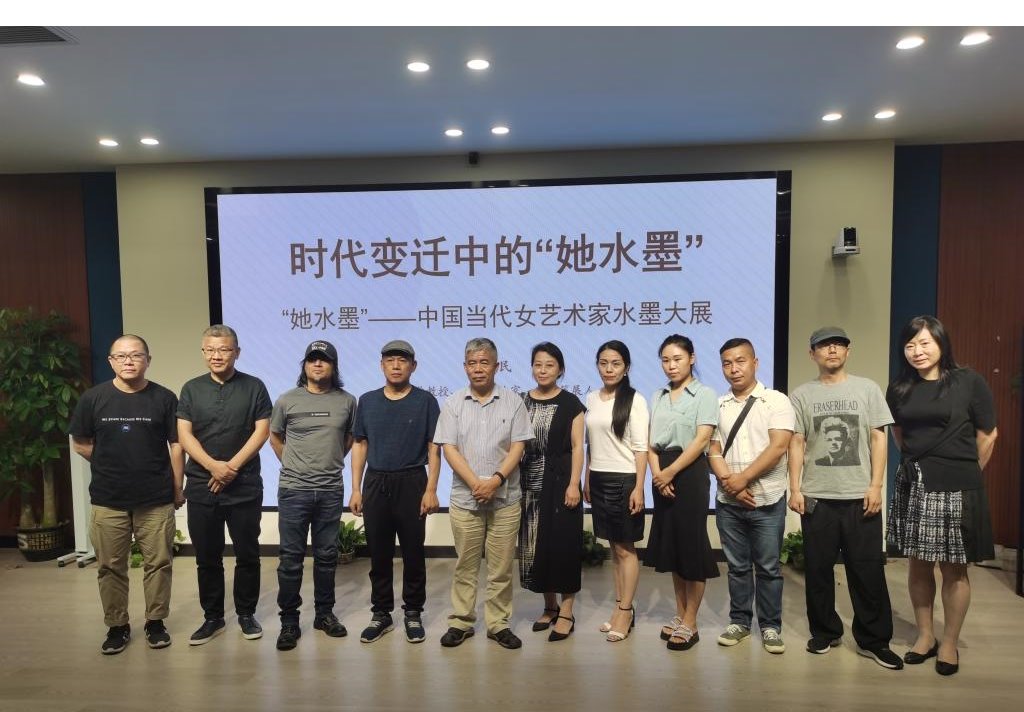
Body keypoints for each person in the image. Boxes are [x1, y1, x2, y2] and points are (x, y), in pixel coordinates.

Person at [887, 315, 997, 676]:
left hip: (957, 484)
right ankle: (925, 636)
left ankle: (949, 643)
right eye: (910, 345)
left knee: (954, 569)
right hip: (914, 482)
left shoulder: (968, 381)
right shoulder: (899, 388)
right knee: (918, 564)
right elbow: (899, 433)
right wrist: (917, 464)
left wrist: (968, 471)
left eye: (924, 343)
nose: (917, 351)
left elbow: (988, 434)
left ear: (941, 343)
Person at [788, 326, 902, 669]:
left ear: (848, 351)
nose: (832, 350)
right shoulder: (801, 395)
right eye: (824, 346)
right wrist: (795, 488)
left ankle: (874, 641)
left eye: (838, 345)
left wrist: (876, 486)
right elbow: (797, 442)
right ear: (812, 354)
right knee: (818, 570)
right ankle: (825, 631)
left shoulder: (867, 389)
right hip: (817, 496)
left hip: (860, 496)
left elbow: (879, 438)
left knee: (867, 571)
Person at [70, 334, 185, 654]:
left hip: (156, 498)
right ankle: (117, 626)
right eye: (120, 356)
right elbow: (80, 443)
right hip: (108, 498)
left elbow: (177, 445)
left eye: (135, 355)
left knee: (159, 563)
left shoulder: (164, 398)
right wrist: (111, 462)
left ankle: (155, 622)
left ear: (148, 360)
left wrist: (177, 488)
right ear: (111, 362)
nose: (128, 361)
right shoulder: (93, 398)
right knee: (110, 566)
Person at [434, 337, 534, 650]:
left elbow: (518, 446)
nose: (478, 369)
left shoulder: (513, 402)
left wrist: (496, 480)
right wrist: (477, 483)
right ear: (465, 367)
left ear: (496, 366)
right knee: (465, 566)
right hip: (466, 500)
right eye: (472, 363)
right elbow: (449, 448)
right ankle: (462, 621)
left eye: (484, 362)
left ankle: (498, 624)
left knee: (500, 568)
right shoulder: (453, 403)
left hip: (505, 499)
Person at [177, 325, 271, 645]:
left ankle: (246, 613)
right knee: (207, 556)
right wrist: (214, 467)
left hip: (244, 484)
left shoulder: (254, 387)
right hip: (202, 485)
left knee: (248, 553)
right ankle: (213, 617)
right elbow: (184, 434)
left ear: (237, 352)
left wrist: (231, 468)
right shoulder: (191, 389)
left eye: (224, 350)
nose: (217, 356)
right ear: (203, 352)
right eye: (211, 350)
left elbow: (261, 431)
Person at [349, 339, 441, 644]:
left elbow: (434, 447)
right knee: (379, 553)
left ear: (413, 366)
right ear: (381, 365)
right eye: (390, 360)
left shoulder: (426, 401)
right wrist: (356, 489)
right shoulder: (368, 401)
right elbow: (360, 444)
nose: (396, 365)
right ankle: (381, 613)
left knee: (413, 552)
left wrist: (431, 489)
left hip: (412, 481)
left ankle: (413, 612)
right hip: (376, 482)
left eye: (402, 360)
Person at [269, 339, 357, 651]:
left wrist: (329, 462)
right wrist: (295, 465)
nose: (318, 364)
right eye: (312, 359)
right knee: (290, 560)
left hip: (330, 490)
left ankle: (324, 614)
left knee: (326, 557)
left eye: (324, 359)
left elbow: (349, 439)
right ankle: (289, 621)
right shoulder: (287, 400)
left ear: (334, 366)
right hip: (294, 490)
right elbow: (275, 437)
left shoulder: (347, 401)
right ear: (305, 365)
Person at [708, 337, 794, 654]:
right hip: (729, 503)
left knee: (769, 567)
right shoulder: (717, 405)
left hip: (767, 499)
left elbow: (779, 446)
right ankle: (740, 622)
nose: (734, 368)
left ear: (755, 363)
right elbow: (713, 448)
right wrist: (731, 483)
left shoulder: (775, 401)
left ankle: (770, 627)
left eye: (740, 361)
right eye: (727, 363)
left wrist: (742, 479)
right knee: (737, 567)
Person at [643, 334, 719, 652]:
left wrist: (670, 472)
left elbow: (702, 440)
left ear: (692, 358)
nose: (671, 365)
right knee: (673, 547)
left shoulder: (705, 394)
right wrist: (657, 474)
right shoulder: (658, 395)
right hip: (662, 472)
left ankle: (691, 621)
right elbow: (650, 443)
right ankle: (680, 613)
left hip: (689, 473)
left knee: (692, 547)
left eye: (677, 358)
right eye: (665, 360)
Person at [518, 342, 586, 642]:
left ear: (560, 369)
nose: (542, 370)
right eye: (538, 364)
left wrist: (574, 483)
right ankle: (549, 606)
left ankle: (567, 612)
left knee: (563, 547)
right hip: (530, 482)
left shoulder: (571, 403)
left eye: (549, 365)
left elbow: (578, 447)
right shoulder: (522, 401)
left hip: (561, 481)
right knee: (537, 545)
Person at [583, 340, 649, 643]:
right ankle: (621, 606)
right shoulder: (591, 398)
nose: (609, 369)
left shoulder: (636, 401)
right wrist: (586, 478)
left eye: (616, 363)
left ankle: (625, 610)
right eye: (603, 363)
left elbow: (640, 449)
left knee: (625, 549)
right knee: (613, 548)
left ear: (626, 367)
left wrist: (639, 488)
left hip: (624, 481)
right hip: (598, 478)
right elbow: (590, 444)